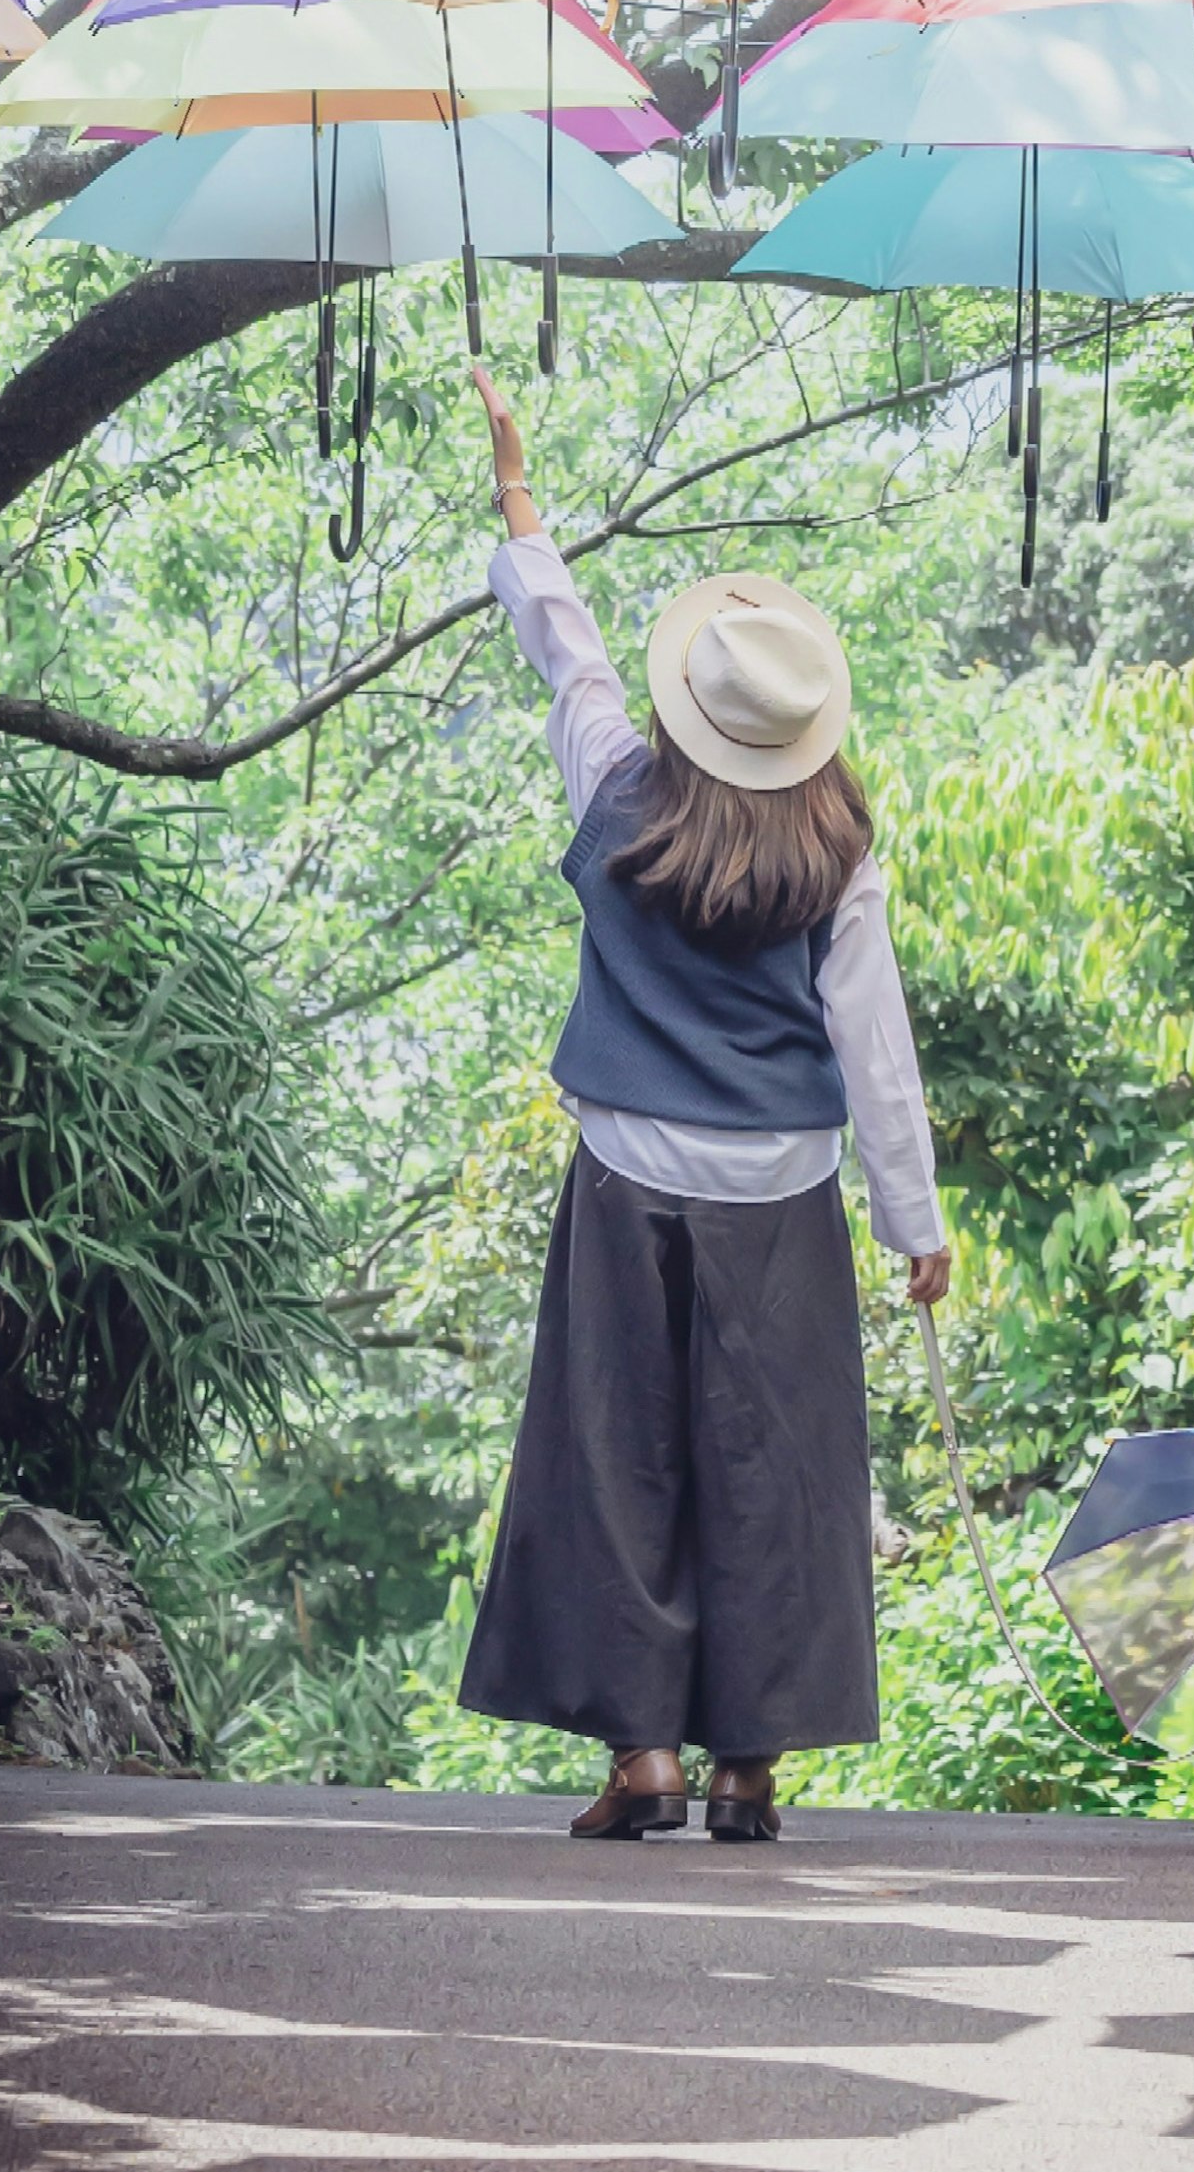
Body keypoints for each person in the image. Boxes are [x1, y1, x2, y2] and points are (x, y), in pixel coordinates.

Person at [455, 365, 951, 1842]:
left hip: (627, 1172)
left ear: (690, 710)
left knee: (619, 1455)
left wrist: (519, 496)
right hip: (783, 1192)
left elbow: (569, 655)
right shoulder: (840, 851)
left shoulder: (616, 788)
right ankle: (749, 1766)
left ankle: (642, 1761)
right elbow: (876, 1048)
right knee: (776, 1471)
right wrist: (912, 1216)